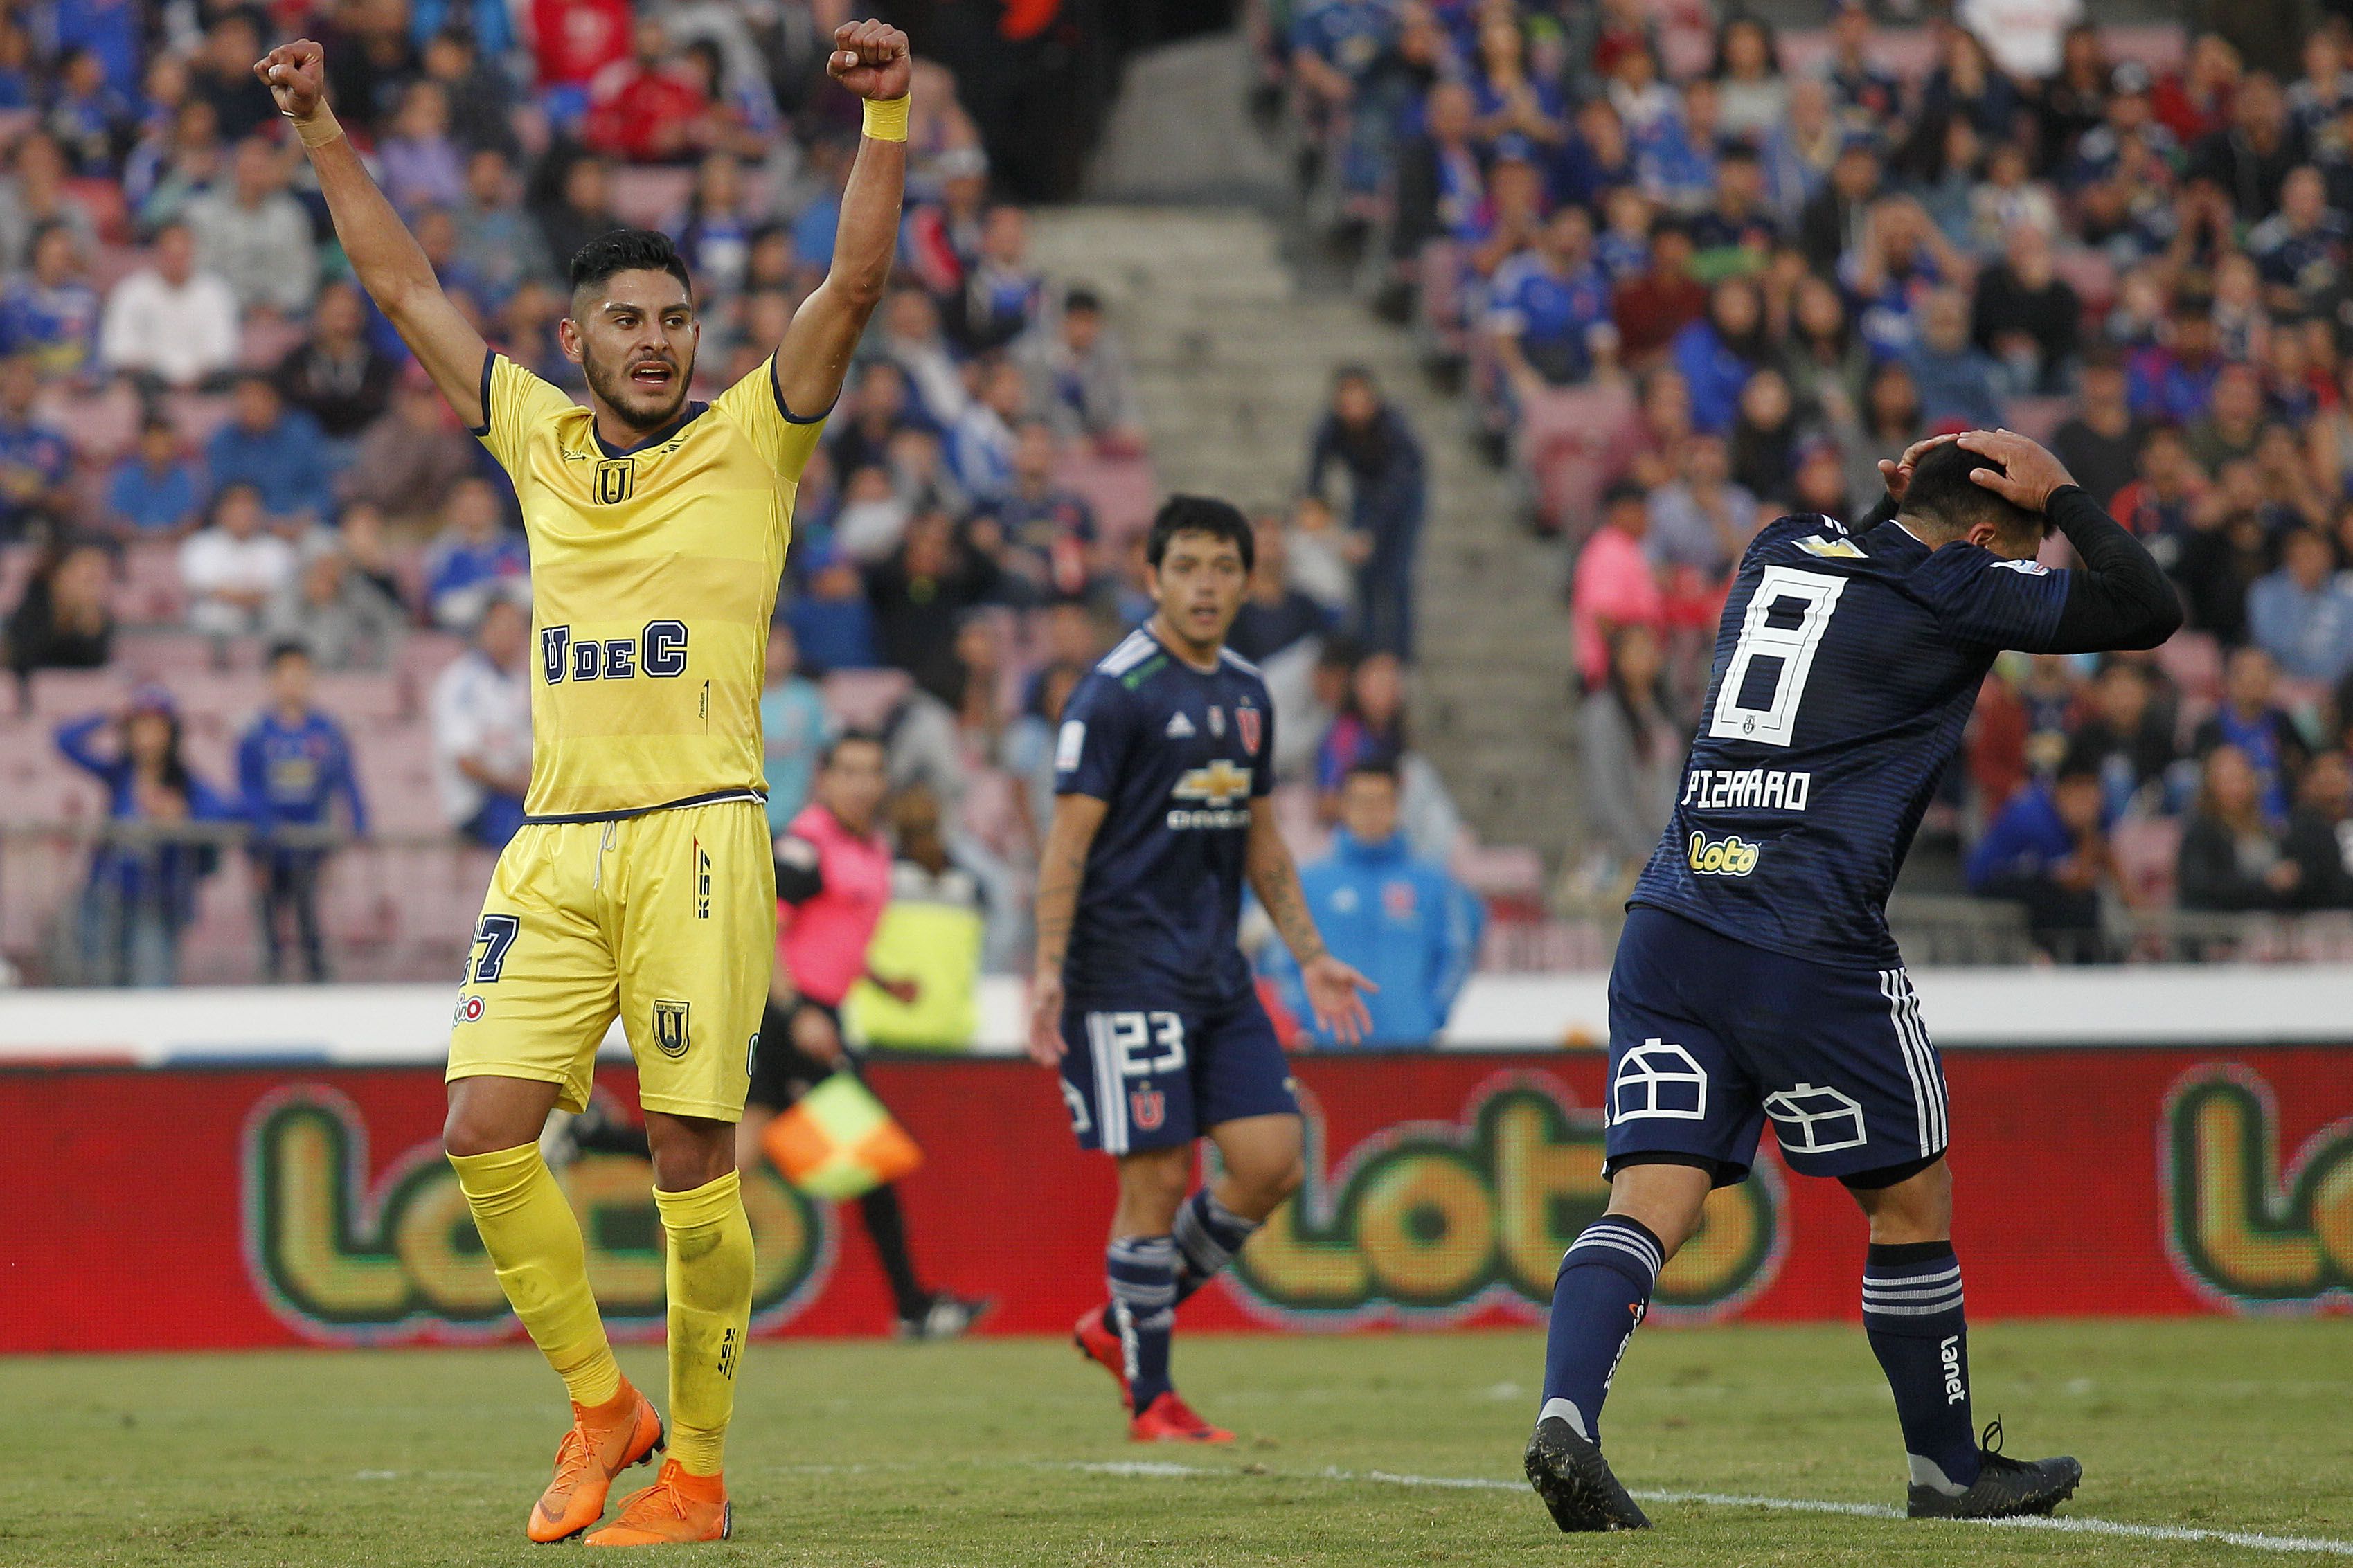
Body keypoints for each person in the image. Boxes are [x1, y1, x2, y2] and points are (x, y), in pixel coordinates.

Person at [261, 19, 912, 1542]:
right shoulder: (537, 438)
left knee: (692, 1154)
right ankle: (600, 1404)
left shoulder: (756, 438)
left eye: (674, 318)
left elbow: (855, 286)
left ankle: (693, 1472)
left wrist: (881, 124)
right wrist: (320, 130)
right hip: (554, 843)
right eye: (625, 318)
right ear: (578, 339)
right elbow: (400, 286)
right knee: (484, 1130)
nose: (654, 341)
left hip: (697, 835)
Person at [1525, 430, 2179, 1531]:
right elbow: (2144, 605)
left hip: (1674, 915)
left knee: (1647, 1199)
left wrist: (1909, 507)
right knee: (1909, 1196)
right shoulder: (1961, 585)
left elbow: (1871, 551)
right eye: (2012, 549)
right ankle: (1943, 1469)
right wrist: (2060, 492)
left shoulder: (1776, 548)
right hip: (1805, 936)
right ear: (1982, 537)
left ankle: (1565, 1416)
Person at [1030, 495, 1375, 1443]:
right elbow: (1066, 842)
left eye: (1223, 566)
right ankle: (1154, 1398)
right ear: (1153, 577)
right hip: (1122, 971)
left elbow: (1260, 835)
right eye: (1186, 566)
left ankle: (1118, 1323)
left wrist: (1311, 955)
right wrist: (1048, 968)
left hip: (1217, 971)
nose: (1207, 584)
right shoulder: (1114, 690)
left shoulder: (1245, 690)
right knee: (1155, 1179)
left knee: (1269, 1159)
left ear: (1245, 576)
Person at [759, 735, 987, 1335]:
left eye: (873, 771)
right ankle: (913, 1307)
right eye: (849, 771)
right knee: (870, 1163)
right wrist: (798, 1013)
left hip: (816, 1013)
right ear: (823, 778)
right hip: (788, 1018)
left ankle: (598, 1137)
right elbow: (765, 936)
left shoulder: (870, 847)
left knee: (732, 1158)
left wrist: (883, 983)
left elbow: (834, 936)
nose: (863, 783)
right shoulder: (805, 847)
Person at [1264, 757, 1482, 1047]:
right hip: (1332, 1050)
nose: (1371, 812)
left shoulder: (1433, 883)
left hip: (1411, 1049)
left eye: (1381, 801)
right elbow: (1279, 960)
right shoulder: (1309, 883)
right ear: (1343, 806)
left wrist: (1431, 1015)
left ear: (1397, 806)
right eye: (1361, 802)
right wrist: (1306, 1015)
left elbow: (1456, 954)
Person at [55, 687, 233, 986]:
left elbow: (223, 816)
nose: (148, 736)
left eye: (156, 727)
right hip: (107, 897)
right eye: (140, 726)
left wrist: (181, 818)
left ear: (171, 734)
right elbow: (65, 742)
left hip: (156, 903)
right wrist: (107, 715)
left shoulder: (186, 783)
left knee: (150, 985)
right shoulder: (119, 774)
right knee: (100, 982)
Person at [238, 641, 368, 982]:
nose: (293, 682)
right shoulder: (255, 732)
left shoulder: (326, 730)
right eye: (285, 674)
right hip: (269, 846)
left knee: (309, 913)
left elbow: (346, 778)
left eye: (300, 674)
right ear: (272, 680)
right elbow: (247, 786)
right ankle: (271, 979)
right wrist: (263, 827)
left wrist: (358, 818)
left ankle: (317, 978)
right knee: (269, 918)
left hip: (310, 844)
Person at [1304, 367, 1426, 658]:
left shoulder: (1393, 429)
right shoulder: (1330, 428)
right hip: (1366, 491)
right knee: (1364, 576)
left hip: (1403, 495)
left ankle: (1400, 655)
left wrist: (1370, 534)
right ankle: (1368, 649)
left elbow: (1395, 491)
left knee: (1397, 575)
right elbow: (1314, 479)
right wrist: (1316, 512)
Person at [1964, 762, 2113, 961]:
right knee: (2073, 904)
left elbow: (2101, 860)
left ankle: (2062, 956)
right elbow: (2077, 880)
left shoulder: (2061, 816)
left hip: (2032, 878)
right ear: (2066, 790)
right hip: (1993, 879)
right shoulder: (2037, 818)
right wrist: (2088, 832)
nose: (2092, 806)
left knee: (2082, 901)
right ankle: (2060, 957)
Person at [432, 593, 533, 849]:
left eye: (516, 626)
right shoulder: (461, 681)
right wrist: (519, 785)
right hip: (477, 802)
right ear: (484, 629)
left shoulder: (522, 681)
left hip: (518, 795)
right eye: (502, 625)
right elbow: (465, 761)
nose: (509, 634)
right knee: (528, 841)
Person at [2178, 744, 2304, 912]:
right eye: (2227, 781)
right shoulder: (2200, 833)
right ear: (2210, 786)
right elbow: (2201, 887)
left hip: (2268, 926)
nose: (2236, 789)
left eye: (2241, 778)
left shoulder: (2267, 829)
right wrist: (2265, 884)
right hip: (2223, 929)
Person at [4, 532, 113, 684]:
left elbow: (94, 666)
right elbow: (26, 660)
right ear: (60, 574)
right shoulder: (34, 606)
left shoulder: (97, 615)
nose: (95, 588)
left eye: (100, 579)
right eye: (89, 578)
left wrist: (88, 630)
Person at [760, 620, 833, 834]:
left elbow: (824, 756)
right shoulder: (744, 697)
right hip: (752, 814)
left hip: (799, 817)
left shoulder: (809, 699)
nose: (779, 652)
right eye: (771, 644)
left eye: (785, 644)